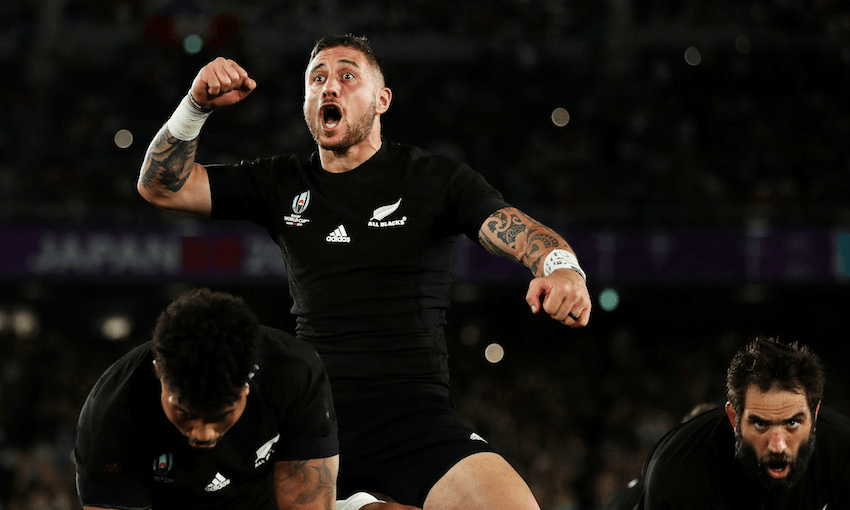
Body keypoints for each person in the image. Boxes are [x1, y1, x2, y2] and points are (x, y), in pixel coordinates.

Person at [136, 34, 591, 510]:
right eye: (317, 79)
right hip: (312, 418)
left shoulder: (435, 178)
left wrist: (560, 267)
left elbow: (513, 227)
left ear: (382, 99)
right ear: (307, 102)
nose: (329, 87)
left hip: (416, 420)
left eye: (347, 75)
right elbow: (161, 187)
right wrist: (194, 106)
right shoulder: (280, 181)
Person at [74, 287, 419, 510]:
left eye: (219, 415)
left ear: (246, 386)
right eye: (184, 412)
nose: (202, 433)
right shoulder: (112, 410)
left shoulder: (294, 373)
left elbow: (307, 505)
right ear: (158, 373)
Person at [606, 337, 850, 509]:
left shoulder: (843, 454)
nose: (778, 446)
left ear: (815, 413)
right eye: (761, 425)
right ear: (734, 418)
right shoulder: (678, 476)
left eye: (793, 424)